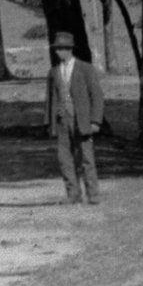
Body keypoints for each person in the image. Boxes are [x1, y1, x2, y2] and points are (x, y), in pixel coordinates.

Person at [45, 27, 106, 204]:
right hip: (62, 120)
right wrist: (51, 123)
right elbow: (50, 99)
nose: (58, 52)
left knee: (86, 157)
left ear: (70, 49)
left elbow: (97, 95)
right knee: (64, 159)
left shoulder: (85, 69)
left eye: (62, 48)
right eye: (56, 48)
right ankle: (73, 194)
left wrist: (95, 120)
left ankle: (93, 195)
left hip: (82, 120)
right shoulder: (54, 72)